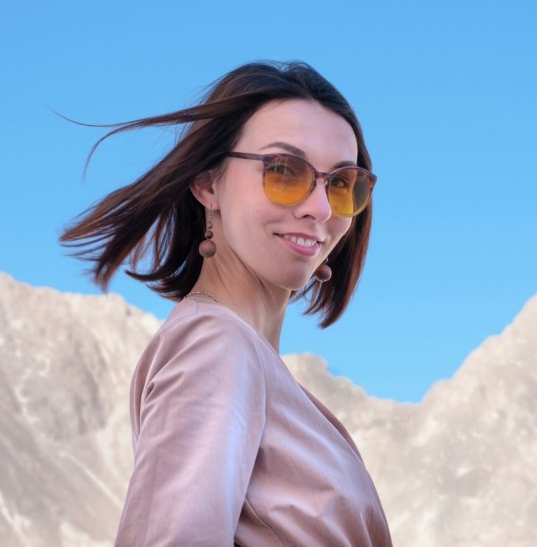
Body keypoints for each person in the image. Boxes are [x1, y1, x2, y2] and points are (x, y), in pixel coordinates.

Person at [61, 61, 392, 546]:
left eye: (342, 184)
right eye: (283, 171)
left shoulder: (242, 356)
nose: (319, 208)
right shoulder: (215, 344)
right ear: (208, 184)